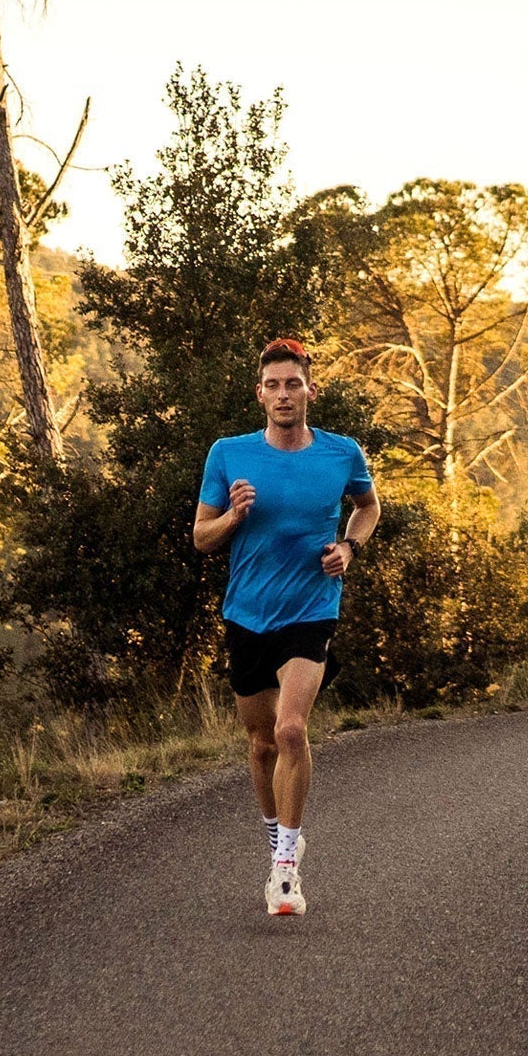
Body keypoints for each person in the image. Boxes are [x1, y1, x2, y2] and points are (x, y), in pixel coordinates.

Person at [193, 337, 381, 915]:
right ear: (260, 394)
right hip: (247, 613)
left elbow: (368, 507)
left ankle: (284, 872)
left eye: (292, 384)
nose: (283, 394)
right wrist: (234, 514)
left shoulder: (341, 452)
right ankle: (280, 833)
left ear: (309, 391)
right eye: (272, 385)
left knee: (291, 730)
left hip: (311, 607)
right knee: (258, 745)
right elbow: (200, 538)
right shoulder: (229, 453)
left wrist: (349, 547)